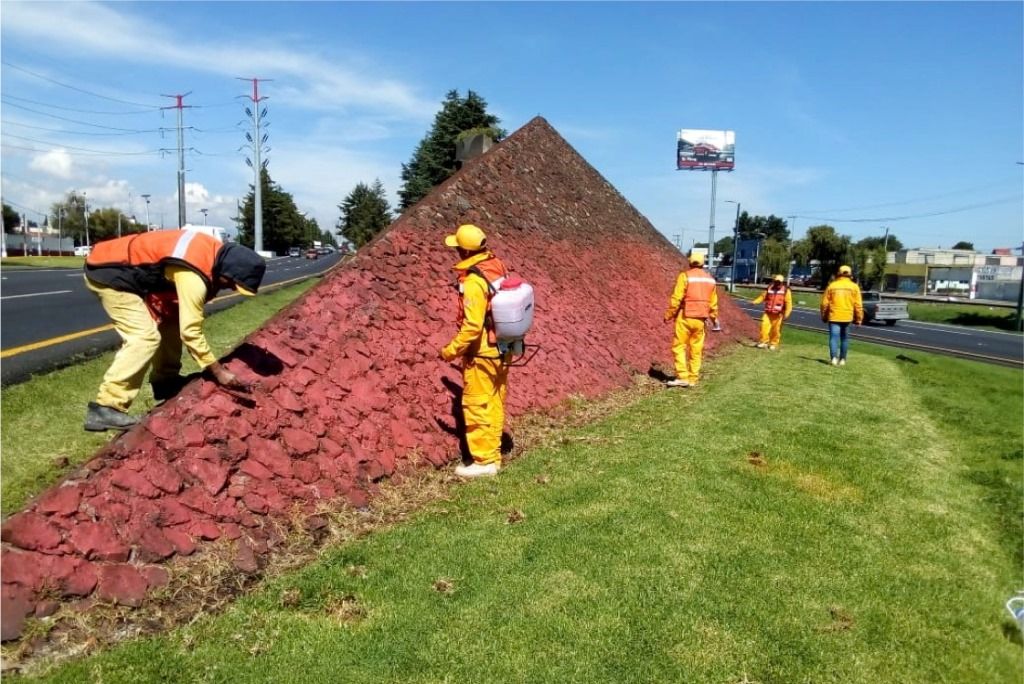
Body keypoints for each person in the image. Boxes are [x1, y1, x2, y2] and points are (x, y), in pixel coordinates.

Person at [82, 229, 266, 431]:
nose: (230, 288)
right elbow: (191, 332)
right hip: (109, 273)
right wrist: (218, 371)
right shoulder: (195, 275)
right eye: (231, 283)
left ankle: (165, 382)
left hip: (126, 270)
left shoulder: (211, 255)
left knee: (171, 321)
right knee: (144, 337)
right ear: (227, 271)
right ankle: (106, 406)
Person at [440, 224, 511, 478]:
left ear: (463, 251)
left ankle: (484, 462)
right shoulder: (496, 266)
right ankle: (493, 455)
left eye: (457, 247)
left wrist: (450, 351)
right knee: (493, 401)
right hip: (503, 347)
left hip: (482, 352)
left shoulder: (472, 281)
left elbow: (471, 326)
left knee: (475, 404)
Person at [663, 252, 719, 387]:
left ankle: (683, 376)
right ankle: (693, 379)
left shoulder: (685, 276)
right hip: (701, 319)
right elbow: (713, 303)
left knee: (679, 347)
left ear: (690, 262)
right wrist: (714, 319)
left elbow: (676, 298)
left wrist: (669, 315)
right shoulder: (710, 280)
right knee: (696, 349)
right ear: (703, 263)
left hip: (685, 317)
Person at [820, 264, 863, 366]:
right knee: (845, 339)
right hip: (847, 317)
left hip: (834, 316)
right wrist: (859, 319)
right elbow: (858, 305)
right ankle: (843, 359)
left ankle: (834, 358)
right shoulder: (854, 287)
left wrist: (824, 316)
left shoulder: (832, 286)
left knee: (833, 338)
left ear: (838, 274)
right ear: (850, 275)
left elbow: (824, 304)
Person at [752, 274, 793, 350]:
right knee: (763, 327)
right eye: (776, 281)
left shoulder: (786, 291)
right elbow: (762, 297)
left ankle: (773, 343)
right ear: (774, 281)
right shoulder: (769, 288)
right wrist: (755, 302)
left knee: (776, 330)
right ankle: (763, 342)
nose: (777, 283)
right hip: (768, 313)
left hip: (779, 314)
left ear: (782, 282)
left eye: (779, 282)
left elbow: (789, 304)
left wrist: (786, 315)